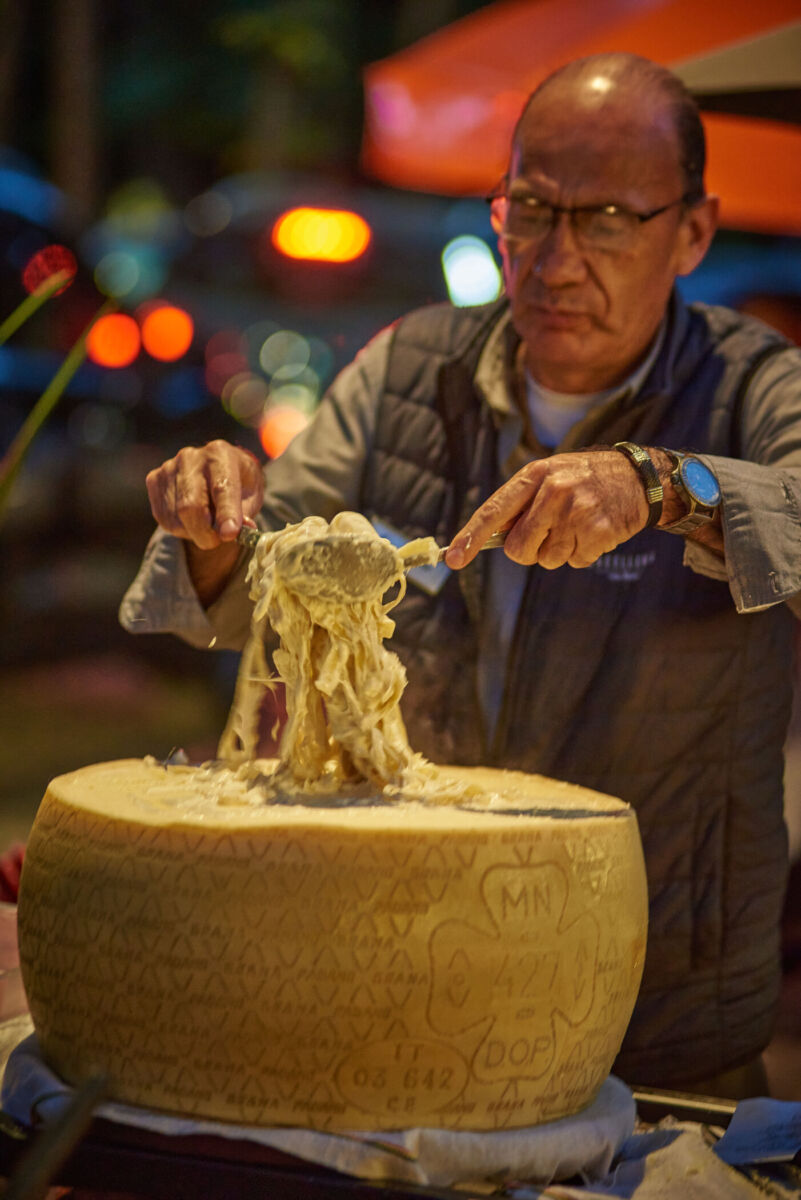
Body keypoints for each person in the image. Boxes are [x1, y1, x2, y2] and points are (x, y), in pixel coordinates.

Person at [121, 52, 801, 1098]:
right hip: (401, 985)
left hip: (658, 1019)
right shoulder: (408, 370)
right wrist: (212, 516)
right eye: (530, 209)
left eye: (609, 218)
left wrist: (665, 488)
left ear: (694, 232)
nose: (556, 259)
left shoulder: (754, 381)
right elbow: (254, 581)